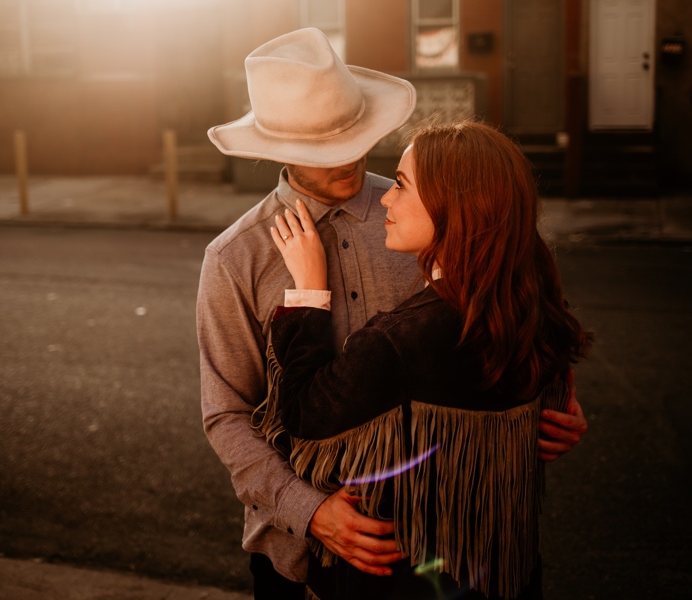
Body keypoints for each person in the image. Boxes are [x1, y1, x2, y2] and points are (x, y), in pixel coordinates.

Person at [197, 28, 588, 599]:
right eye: (322, 150)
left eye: (357, 136)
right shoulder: (236, 258)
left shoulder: (424, 211)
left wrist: (544, 400)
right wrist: (307, 510)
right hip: (302, 560)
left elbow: (506, 309)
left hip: (451, 550)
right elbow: (227, 414)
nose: (350, 160)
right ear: (276, 149)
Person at [264, 119, 593, 599]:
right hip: (501, 574)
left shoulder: (400, 341)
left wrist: (310, 292)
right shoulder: (533, 304)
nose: (384, 200)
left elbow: (301, 415)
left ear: (453, 205)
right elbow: (549, 396)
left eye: (400, 185)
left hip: (403, 578)